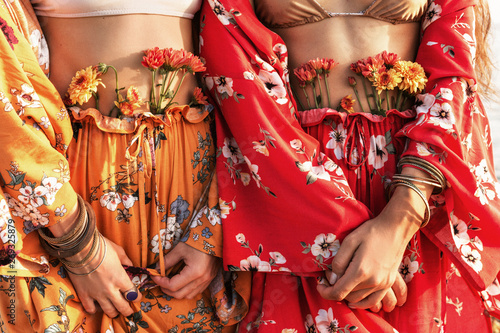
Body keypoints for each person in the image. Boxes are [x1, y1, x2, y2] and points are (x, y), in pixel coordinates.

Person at [200, 0, 500, 331]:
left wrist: (398, 222)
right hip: (297, 195)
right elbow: (240, 85)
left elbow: (453, 80)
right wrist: (341, 240)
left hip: (413, 187)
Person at [0, 0, 248, 331]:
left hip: (195, 207)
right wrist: (78, 243)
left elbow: (249, 72)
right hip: (69, 202)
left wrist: (214, 230)